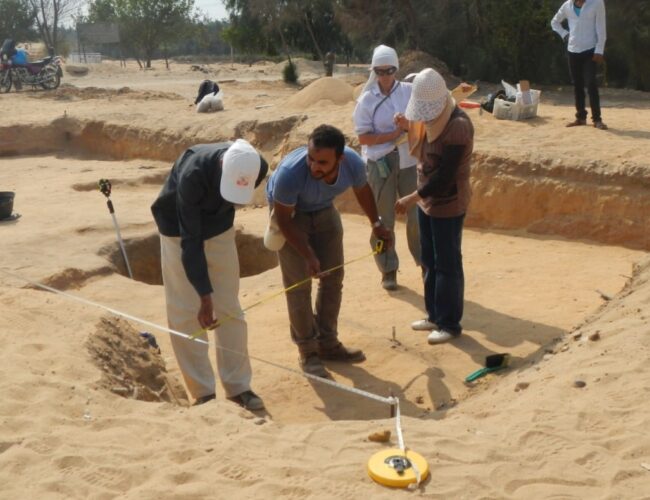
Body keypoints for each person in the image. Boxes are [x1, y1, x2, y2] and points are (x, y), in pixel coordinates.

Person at [265, 125, 393, 378]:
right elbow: (284, 221)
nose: (314, 166)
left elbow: (362, 190)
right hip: (291, 215)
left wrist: (376, 224)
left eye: (322, 162)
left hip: (324, 209)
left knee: (333, 278)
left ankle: (327, 343)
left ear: (340, 159)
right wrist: (308, 255)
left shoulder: (353, 163)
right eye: (311, 158)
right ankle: (308, 351)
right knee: (298, 285)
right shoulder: (290, 174)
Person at [151, 139, 268, 409]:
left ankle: (238, 387)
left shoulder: (257, 165)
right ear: (221, 165)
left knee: (229, 307)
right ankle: (203, 393)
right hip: (178, 227)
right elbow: (190, 242)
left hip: (219, 225)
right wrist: (205, 297)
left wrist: (213, 298)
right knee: (185, 309)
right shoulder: (193, 174)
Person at [394, 68, 474, 345]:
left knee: (447, 264)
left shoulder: (458, 126)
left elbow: (445, 176)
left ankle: (449, 323)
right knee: (429, 260)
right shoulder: (431, 122)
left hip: (448, 202)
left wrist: (412, 197)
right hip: (427, 203)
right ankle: (434, 315)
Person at [353, 44, 421, 291]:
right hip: (380, 162)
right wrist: (391, 135)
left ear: (396, 69)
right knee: (383, 219)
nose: (384, 76)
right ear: (374, 71)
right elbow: (363, 137)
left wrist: (407, 125)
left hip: (408, 161)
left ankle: (425, 262)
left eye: (389, 70)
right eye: (380, 71)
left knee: (417, 214)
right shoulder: (367, 100)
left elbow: (424, 122)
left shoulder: (410, 92)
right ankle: (388, 269)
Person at [551, 0, 608, 130]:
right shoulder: (567, 5)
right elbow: (554, 22)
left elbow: (601, 28)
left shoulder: (597, 3)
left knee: (591, 83)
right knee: (577, 85)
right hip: (573, 50)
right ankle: (581, 117)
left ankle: (597, 119)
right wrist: (565, 34)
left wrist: (599, 50)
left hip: (590, 50)